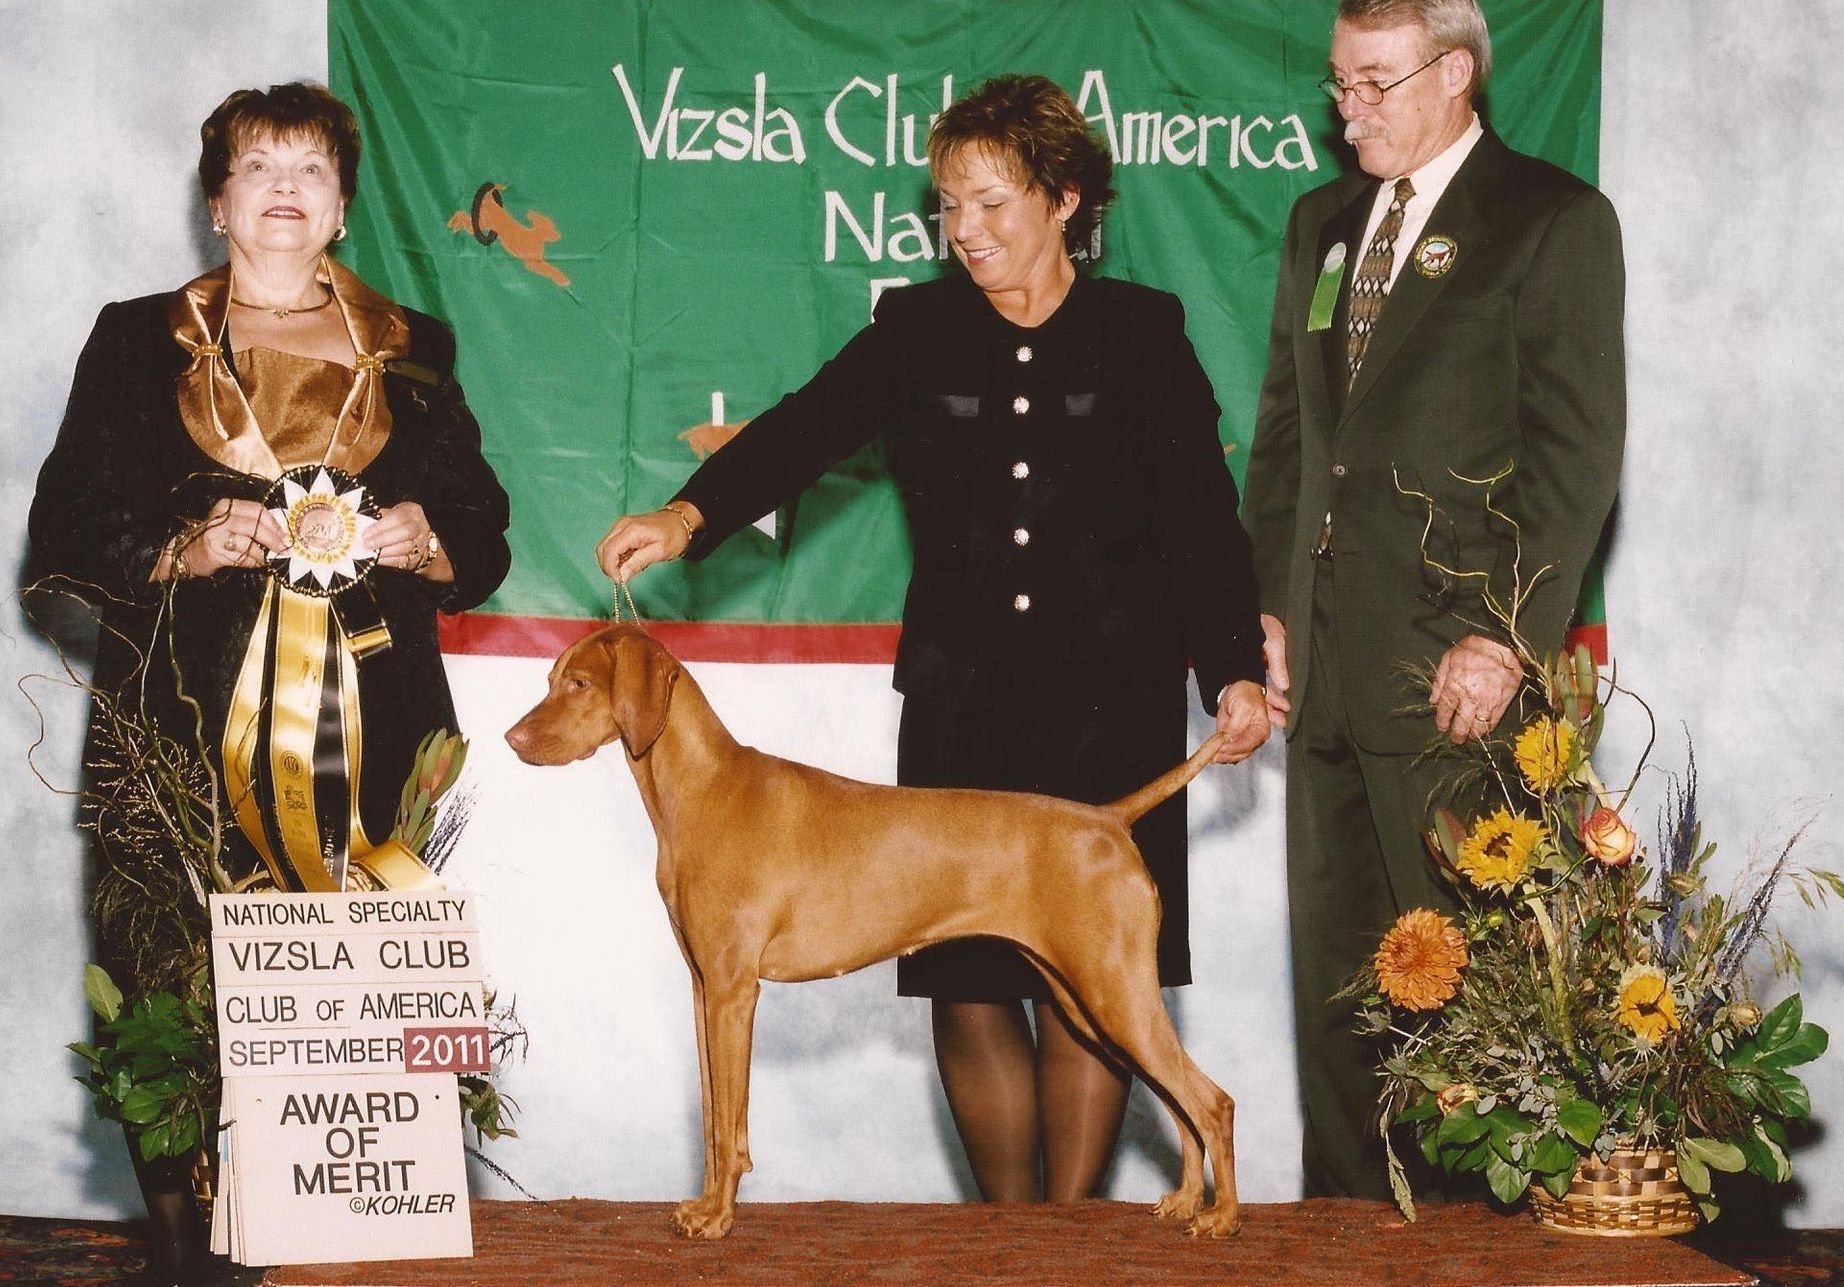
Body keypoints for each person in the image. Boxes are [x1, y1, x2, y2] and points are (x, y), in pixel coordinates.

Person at [597, 73, 1269, 1205]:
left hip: (1114, 699)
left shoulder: (1142, 333)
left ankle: (1069, 1238)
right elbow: (802, 429)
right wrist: (688, 513)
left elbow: (1203, 519)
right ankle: (1000, 1241)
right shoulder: (912, 329)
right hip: (967, 698)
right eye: (949, 206)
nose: (965, 232)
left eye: (991, 204)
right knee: (965, 989)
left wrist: (1234, 671)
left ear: (1063, 200)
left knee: (1085, 993)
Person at [29, 81, 510, 1282]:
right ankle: (195, 1255)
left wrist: (420, 532)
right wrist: (179, 548)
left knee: (350, 993)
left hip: (376, 726)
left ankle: (343, 1249)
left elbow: (482, 527)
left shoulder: (415, 349)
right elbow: (66, 524)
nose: (286, 188)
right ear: (216, 201)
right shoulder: (135, 339)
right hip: (178, 721)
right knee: (167, 971)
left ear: (343, 204)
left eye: (311, 168)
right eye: (259, 166)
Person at [1239, 0, 1625, 1199]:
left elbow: (1573, 457)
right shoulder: (1319, 225)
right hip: (1328, 667)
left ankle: (1486, 1246)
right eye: (1336, 84)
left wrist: (1502, 634)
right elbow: (1291, 436)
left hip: (1458, 669)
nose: (1346, 109)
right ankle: (1348, 1236)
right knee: (1343, 992)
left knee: (1478, 995)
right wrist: (1263, 606)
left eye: (1372, 82)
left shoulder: (1552, 221)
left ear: (1454, 73)